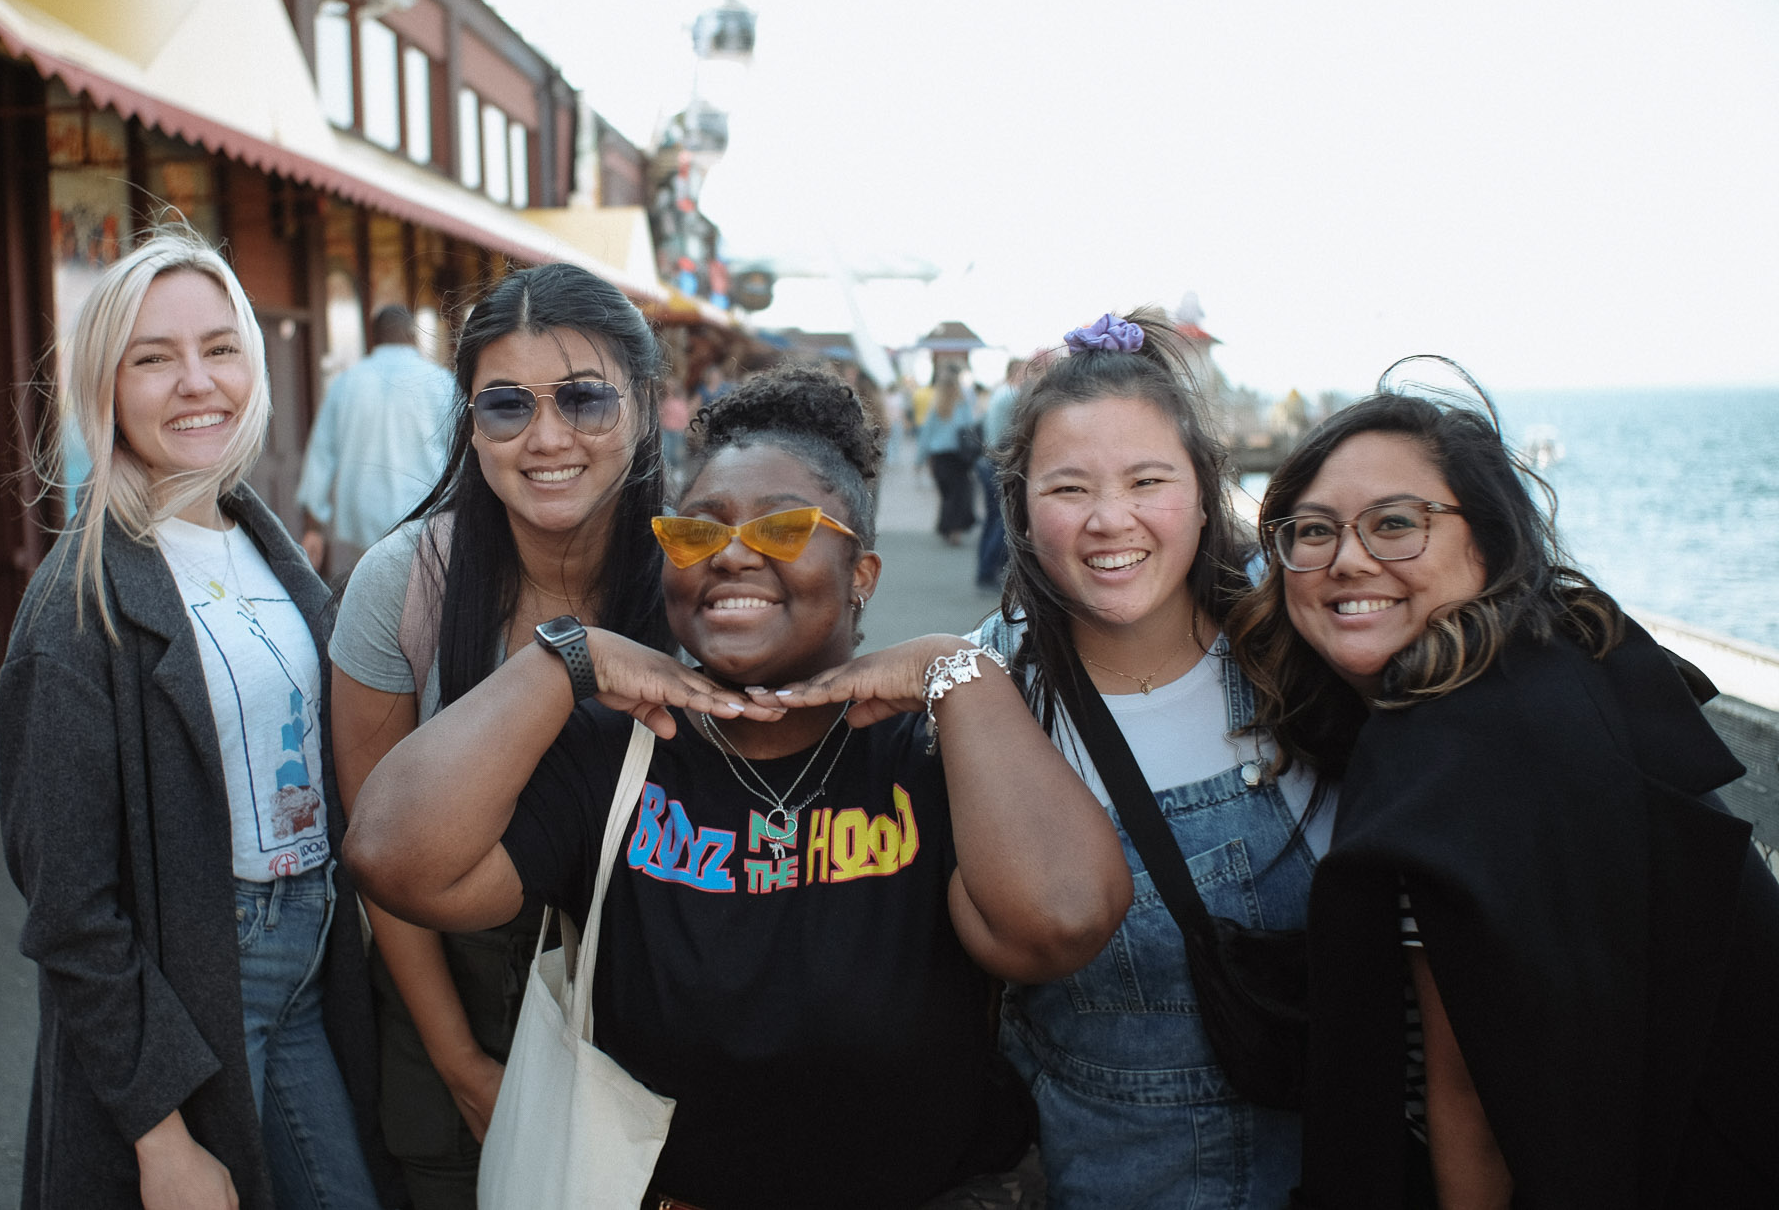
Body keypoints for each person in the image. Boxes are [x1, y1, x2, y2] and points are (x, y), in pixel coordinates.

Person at [343, 365, 1132, 1210]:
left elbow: (1064, 920)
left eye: (784, 528)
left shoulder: (934, 758)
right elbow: (394, 856)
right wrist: (566, 658)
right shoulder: (617, 753)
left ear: (862, 574)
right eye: (696, 532)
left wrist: (961, 673)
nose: (732, 554)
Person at [1227, 364, 1779, 1207]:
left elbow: (1476, 1098)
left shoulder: (1453, 760)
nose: (1348, 559)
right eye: (1312, 530)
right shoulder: (1562, 667)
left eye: (1397, 524)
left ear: (1485, 539)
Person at [0, 225, 395, 1210]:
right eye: (153, 357)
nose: (196, 381)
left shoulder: (258, 541)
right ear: (105, 386)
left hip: (310, 952)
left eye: (219, 348)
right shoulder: (71, 613)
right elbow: (70, 913)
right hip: (196, 987)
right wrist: (158, 1135)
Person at [326, 262, 676, 1209]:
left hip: (663, 1019)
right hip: (455, 1007)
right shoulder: (401, 587)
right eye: (507, 404)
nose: (546, 437)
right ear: (470, 422)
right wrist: (460, 1063)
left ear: (646, 405)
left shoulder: (702, 578)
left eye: (585, 398)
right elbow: (382, 869)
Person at [974, 309, 1327, 1209]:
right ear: (1018, 506)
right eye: (1068, 489)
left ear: (1206, 493)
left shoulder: (1303, 656)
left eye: (1147, 479)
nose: (1110, 519)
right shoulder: (985, 686)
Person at [297, 304, 459, 579]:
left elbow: (321, 455)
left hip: (362, 526)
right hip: (427, 520)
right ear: (413, 336)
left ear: (373, 339)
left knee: (369, 599)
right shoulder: (440, 382)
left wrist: (314, 527)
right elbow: (461, 454)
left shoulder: (346, 382)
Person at [975, 358, 1026, 588]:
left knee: (992, 518)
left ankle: (984, 569)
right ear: (1016, 372)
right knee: (1002, 519)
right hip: (1001, 461)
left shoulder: (999, 394)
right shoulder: (1011, 397)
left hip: (989, 459)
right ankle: (988, 569)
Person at [917, 366, 980, 544]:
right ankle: (954, 529)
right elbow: (971, 428)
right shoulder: (962, 405)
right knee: (959, 494)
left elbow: (926, 435)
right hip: (958, 456)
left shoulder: (936, 408)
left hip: (939, 458)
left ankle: (946, 526)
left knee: (946, 494)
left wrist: (920, 460)